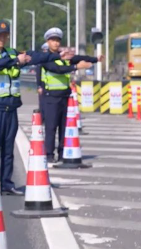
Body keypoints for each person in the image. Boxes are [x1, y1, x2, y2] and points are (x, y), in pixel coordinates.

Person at [0, 20, 71, 195]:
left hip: (11, 108)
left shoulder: (13, 53)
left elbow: (37, 57)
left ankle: (6, 183)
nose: (2, 38)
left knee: (8, 149)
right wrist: (15, 61)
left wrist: (57, 56)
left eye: (5, 35)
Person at [39, 27, 101, 163]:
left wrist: (95, 59)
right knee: (51, 127)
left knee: (64, 127)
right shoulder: (45, 58)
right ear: (48, 42)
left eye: (58, 40)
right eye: (53, 40)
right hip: (51, 97)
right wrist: (76, 67)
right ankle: (49, 154)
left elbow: (78, 58)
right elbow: (57, 69)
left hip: (64, 96)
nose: (56, 43)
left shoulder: (63, 56)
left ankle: (62, 153)